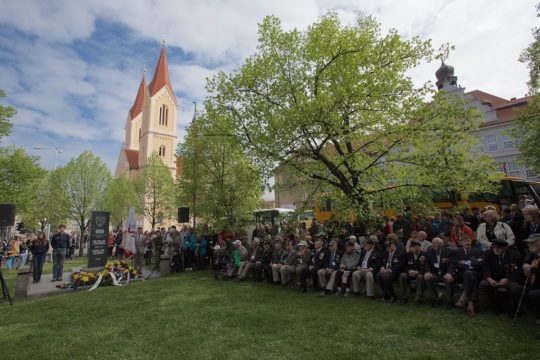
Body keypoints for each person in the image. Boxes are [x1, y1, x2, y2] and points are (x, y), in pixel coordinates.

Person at [480, 238, 523, 316]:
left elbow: (517, 271)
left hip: (509, 279)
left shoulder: (515, 256)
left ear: (505, 248)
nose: (496, 249)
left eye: (498, 248)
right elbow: (485, 268)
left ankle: (513, 308)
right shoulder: (488, 254)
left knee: (515, 288)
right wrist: (489, 279)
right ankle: (495, 306)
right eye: (494, 247)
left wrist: (508, 279)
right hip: (493, 278)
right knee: (484, 284)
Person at [454, 234, 484, 317]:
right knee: (471, 277)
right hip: (462, 274)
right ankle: (471, 304)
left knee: (469, 274)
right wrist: (472, 263)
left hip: (476, 273)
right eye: (464, 241)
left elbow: (480, 264)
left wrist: (466, 262)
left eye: (468, 240)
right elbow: (457, 264)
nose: (467, 242)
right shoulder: (457, 252)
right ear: (461, 243)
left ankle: (463, 296)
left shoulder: (478, 251)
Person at [424, 237, 456, 308]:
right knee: (427, 277)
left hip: (445, 273)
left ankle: (450, 300)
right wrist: (428, 272)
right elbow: (427, 264)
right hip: (435, 274)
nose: (433, 245)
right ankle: (435, 297)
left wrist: (449, 273)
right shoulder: (429, 252)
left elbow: (452, 263)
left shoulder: (449, 252)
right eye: (432, 243)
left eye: (435, 243)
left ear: (441, 244)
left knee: (449, 280)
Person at [519, 234, 540, 326]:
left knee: (534, 294)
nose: (529, 244)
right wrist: (525, 265)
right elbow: (526, 260)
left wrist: (532, 270)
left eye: (533, 242)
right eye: (528, 243)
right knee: (516, 288)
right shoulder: (533, 254)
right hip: (532, 283)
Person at [399, 241, 426, 305]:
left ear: (419, 247)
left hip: (419, 273)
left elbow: (426, 267)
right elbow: (404, 266)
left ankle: (418, 298)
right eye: (412, 247)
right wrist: (409, 271)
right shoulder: (408, 255)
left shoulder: (424, 255)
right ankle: (404, 297)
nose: (412, 248)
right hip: (410, 273)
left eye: (414, 247)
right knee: (402, 275)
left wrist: (418, 272)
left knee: (420, 277)